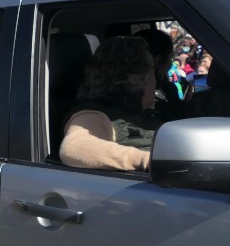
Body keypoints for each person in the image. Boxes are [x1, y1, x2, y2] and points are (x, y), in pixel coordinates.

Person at [59, 35, 159, 171]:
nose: (156, 79)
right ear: (136, 77)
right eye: (152, 70)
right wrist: (149, 161)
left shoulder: (139, 113)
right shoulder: (94, 114)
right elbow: (74, 147)